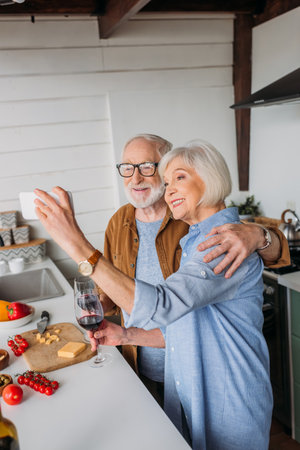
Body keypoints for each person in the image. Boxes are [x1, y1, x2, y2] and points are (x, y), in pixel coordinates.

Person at [34, 140, 286, 450]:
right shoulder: (194, 240)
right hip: (192, 391)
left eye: (178, 177)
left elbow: (163, 305)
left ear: (211, 178)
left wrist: (76, 245)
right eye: (167, 182)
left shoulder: (224, 241)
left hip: (227, 398)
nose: (168, 190)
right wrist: (126, 334)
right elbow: (182, 328)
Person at [91, 134, 289, 405]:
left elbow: (276, 254)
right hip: (139, 362)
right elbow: (110, 290)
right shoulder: (119, 222)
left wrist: (258, 234)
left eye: (147, 167)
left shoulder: (194, 219)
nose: (135, 178)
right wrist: (100, 306)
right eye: (128, 168)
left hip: (198, 370)